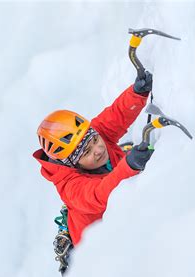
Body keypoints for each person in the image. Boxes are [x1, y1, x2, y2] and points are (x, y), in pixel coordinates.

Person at [33, 72, 155, 248]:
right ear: (72, 164)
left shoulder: (91, 138)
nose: (98, 150)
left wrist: (137, 93)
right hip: (100, 248)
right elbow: (99, 195)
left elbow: (114, 118)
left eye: (95, 140)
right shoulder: (72, 189)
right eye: (86, 152)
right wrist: (128, 166)